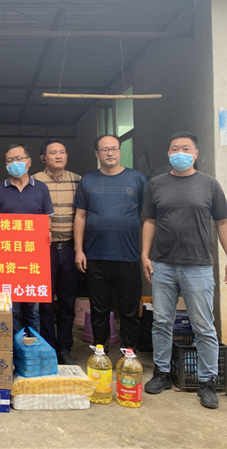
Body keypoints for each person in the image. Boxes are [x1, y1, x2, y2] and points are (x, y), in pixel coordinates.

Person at [142, 131, 227, 409]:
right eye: (175, 148)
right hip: (163, 263)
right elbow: (149, 221)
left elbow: (223, 222)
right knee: (162, 321)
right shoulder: (156, 184)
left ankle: (207, 381)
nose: (180, 153)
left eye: (186, 148)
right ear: (168, 153)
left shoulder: (209, 184)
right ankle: (162, 373)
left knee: (203, 326)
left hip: (198, 265)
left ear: (196, 154)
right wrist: (145, 255)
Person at [74, 134, 147, 352]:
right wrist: (79, 250)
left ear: (120, 151)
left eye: (114, 148)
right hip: (95, 255)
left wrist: (143, 250)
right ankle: (100, 353)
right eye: (105, 149)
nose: (110, 153)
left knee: (129, 309)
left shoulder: (137, 178)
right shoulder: (87, 180)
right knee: (99, 310)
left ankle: (129, 354)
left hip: (128, 255)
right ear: (97, 154)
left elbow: (146, 218)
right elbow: (80, 216)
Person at [0, 144, 54, 335]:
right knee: (12, 309)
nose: (13, 164)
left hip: (34, 259)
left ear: (29, 162)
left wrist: (47, 232)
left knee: (33, 310)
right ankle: (12, 349)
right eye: (9, 161)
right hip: (7, 259)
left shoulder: (41, 188)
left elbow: (46, 219)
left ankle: (32, 349)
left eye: (18, 159)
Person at [32, 139, 81, 365]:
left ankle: (64, 348)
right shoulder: (34, 182)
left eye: (62, 152)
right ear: (44, 158)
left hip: (69, 249)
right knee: (44, 301)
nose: (58, 156)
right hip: (44, 250)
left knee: (67, 301)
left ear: (67, 156)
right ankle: (47, 345)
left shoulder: (78, 181)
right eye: (53, 153)